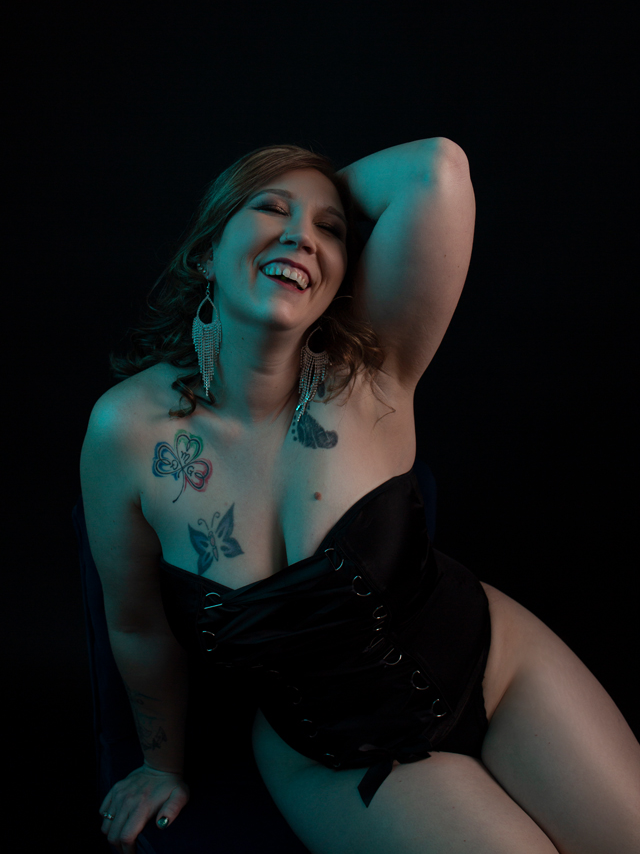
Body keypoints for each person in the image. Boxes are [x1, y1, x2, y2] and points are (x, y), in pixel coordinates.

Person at [80, 139, 640, 854]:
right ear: (205, 254)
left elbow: (436, 169)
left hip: (500, 667)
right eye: (268, 210)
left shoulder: (374, 369)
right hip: (338, 757)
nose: (301, 236)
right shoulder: (127, 432)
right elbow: (137, 626)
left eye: (331, 229)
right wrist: (160, 765)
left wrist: (297, 216)